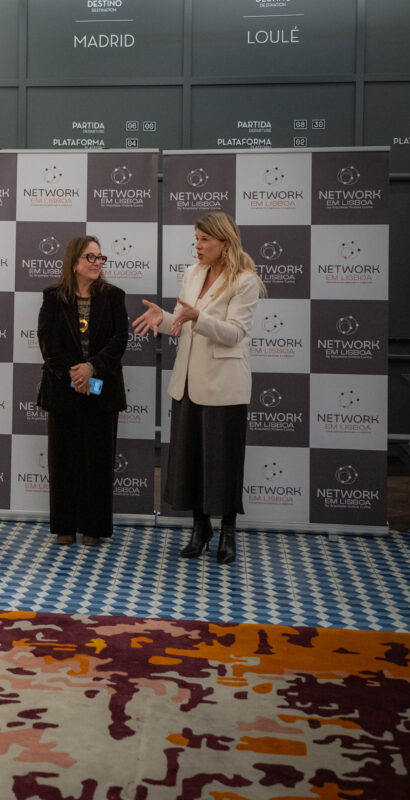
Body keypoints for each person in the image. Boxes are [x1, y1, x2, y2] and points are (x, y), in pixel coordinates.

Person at [132, 212, 265, 565]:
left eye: (204, 239)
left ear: (225, 242)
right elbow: (183, 322)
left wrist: (198, 318)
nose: (198, 246)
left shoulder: (245, 281)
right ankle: (200, 528)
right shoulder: (192, 273)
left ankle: (228, 532)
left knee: (223, 462)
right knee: (190, 459)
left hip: (224, 385)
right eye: (196, 239)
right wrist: (163, 319)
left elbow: (235, 333)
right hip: (188, 383)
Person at [36, 235, 128, 547]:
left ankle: (94, 528)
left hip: (103, 391)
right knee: (63, 461)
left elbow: (119, 340)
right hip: (63, 391)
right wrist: (75, 374)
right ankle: (64, 526)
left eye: (100, 257)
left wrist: (91, 369)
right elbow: (48, 342)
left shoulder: (114, 296)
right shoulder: (53, 297)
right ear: (74, 262)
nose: (97, 263)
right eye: (91, 257)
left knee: (98, 462)